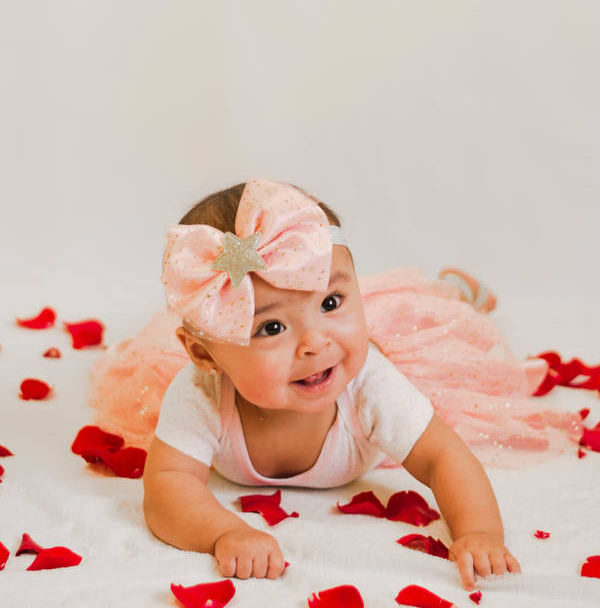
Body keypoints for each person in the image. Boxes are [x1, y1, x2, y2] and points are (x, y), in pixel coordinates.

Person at [87, 177, 583, 590]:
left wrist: (478, 532)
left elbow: (442, 456)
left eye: (330, 303)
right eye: (270, 328)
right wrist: (225, 533)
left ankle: (459, 292)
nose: (314, 344)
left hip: (388, 355)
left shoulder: (370, 383)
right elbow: (167, 487)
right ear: (204, 355)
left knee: (427, 316)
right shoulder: (198, 392)